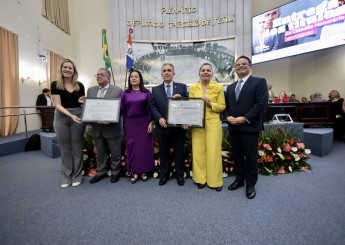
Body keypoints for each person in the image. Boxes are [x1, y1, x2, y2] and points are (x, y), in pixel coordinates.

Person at [225, 55, 268, 199]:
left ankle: (250, 184)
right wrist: (227, 116)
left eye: (244, 64)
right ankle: (239, 179)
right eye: (238, 65)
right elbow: (226, 107)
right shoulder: (230, 87)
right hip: (234, 128)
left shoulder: (259, 82)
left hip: (249, 127)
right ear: (235, 69)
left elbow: (261, 104)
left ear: (250, 67)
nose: (240, 66)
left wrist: (245, 118)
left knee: (250, 157)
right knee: (237, 156)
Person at [188, 63, 225, 192]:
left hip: (213, 122)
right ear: (199, 73)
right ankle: (200, 179)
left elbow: (222, 106)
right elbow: (191, 106)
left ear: (212, 73)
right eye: (203, 70)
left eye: (208, 70)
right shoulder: (193, 88)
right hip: (197, 123)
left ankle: (215, 181)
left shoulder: (218, 87)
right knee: (198, 152)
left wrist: (211, 104)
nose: (205, 72)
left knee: (213, 152)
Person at [149, 63, 188, 186]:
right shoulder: (155, 90)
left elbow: (188, 103)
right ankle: (164, 175)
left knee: (179, 153)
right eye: (164, 70)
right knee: (163, 153)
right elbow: (152, 106)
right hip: (162, 127)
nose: (166, 72)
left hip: (178, 128)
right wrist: (159, 118)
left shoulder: (182, 87)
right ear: (161, 74)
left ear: (173, 73)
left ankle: (180, 175)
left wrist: (181, 99)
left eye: (169, 70)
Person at [50, 59, 86, 188]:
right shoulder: (55, 84)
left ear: (74, 70)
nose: (67, 70)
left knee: (77, 147)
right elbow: (57, 104)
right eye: (65, 67)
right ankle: (66, 176)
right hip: (61, 117)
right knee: (65, 148)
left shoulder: (80, 85)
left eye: (70, 68)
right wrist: (70, 115)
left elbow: (81, 101)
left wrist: (87, 101)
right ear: (61, 69)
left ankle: (77, 175)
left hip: (78, 116)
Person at [87, 68, 123, 184]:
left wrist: (111, 120)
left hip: (112, 127)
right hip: (97, 128)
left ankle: (115, 172)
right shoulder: (91, 90)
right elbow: (89, 108)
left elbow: (121, 109)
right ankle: (101, 172)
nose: (98, 76)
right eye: (97, 75)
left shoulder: (118, 90)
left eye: (101, 75)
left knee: (115, 152)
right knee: (100, 152)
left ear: (108, 77)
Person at [121, 69, 155, 183]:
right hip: (130, 124)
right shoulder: (125, 93)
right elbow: (120, 109)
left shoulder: (147, 92)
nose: (134, 78)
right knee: (133, 148)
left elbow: (151, 108)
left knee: (143, 148)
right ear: (129, 79)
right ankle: (134, 171)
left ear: (140, 79)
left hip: (144, 123)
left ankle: (144, 171)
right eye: (132, 77)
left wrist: (151, 122)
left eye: (136, 76)